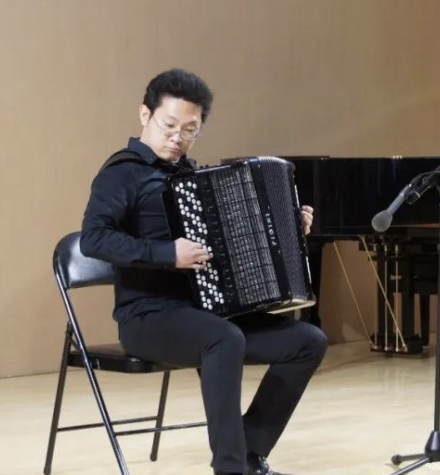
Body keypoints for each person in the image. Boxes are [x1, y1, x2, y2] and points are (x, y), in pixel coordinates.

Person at [80, 68, 328, 475]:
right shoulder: (120, 173)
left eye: (190, 130)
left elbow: (234, 239)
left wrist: (288, 226)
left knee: (308, 341)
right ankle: (229, 469)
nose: (177, 137)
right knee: (224, 339)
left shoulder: (192, 176)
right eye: (169, 125)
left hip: (205, 310)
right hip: (147, 316)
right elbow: (93, 240)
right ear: (145, 115)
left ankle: (248, 454)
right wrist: (167, 254)